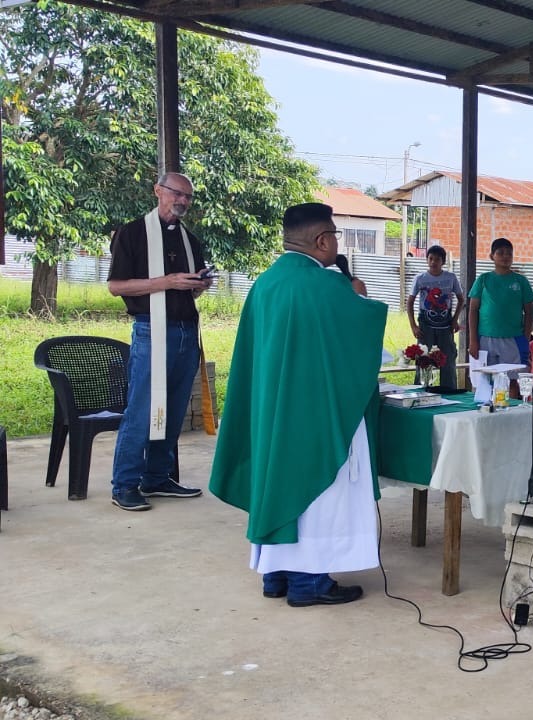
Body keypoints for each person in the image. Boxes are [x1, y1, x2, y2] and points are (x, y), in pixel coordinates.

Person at [209, 202, 388, 607]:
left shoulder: (266, 283)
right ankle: (310, 582)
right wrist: (360, 299)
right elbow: (361, 338)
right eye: (335, 236)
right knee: (322, 489)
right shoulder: (327, 286)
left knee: (278, 481)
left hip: (274, 410)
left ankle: (276, 574)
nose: (336, 244)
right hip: (315, 412)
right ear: (322, 240)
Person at [105, 171, 213, 511]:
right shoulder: (133, 233)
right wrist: (166, 281)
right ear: (158, 191)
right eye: (176, 193)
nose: (182, 201)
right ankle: (124, 484)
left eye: (188, 196)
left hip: (185, 331)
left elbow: (189, 288)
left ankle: (157, 477)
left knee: (174, 410)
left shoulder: (190, 240)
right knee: (142, 410)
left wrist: (199, 284)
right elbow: (116, 286)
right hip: (152, 329)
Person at [468, 238, 533, 369]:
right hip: (485, 338)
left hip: (514, 338)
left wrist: (525, 338)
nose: (505, 256)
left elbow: (529, 312)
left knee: (512, 377)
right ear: (491, 256)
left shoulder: (521, 281)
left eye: (509, 253)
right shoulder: (483, 279)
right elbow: (473, 310)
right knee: (485, 378)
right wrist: (473, 340)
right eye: (500, 253)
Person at [406, 245, 465, 392]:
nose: (433, 262)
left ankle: (449, 391)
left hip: (446, 326)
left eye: (437, 259)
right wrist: (413, 326)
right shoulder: (420, 279)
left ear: (443, 261)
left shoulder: (451, 278)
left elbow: (461, 299)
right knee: (423, 358)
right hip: (425, 326)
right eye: (430, 258)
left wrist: (455, 320)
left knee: (448, 359)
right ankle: (421, 389)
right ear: (427, 260)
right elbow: (410, 302)